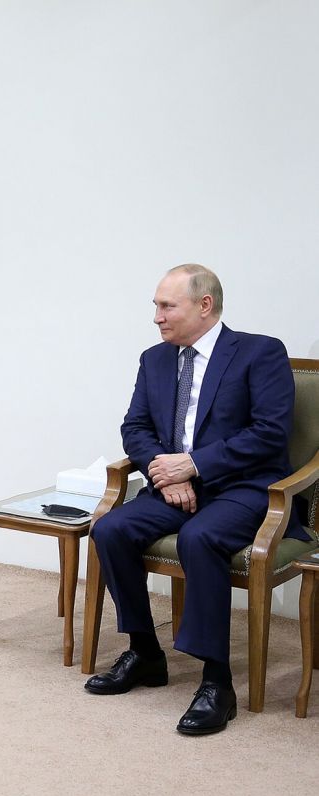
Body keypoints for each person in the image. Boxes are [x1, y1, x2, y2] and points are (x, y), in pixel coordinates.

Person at [86, 263, 309, 734]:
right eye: (156, 306)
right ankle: (145, 652)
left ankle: (217, 682)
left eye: (167, 306)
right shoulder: (155, 359)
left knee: (199, 538)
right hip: (175, 486)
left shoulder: (259, 352)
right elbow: (135, 427)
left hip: (247, 488)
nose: (157, 317)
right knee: (110, 528)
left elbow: (269, 433)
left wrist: (194, 465)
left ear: (204, 305)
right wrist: (166, 474)